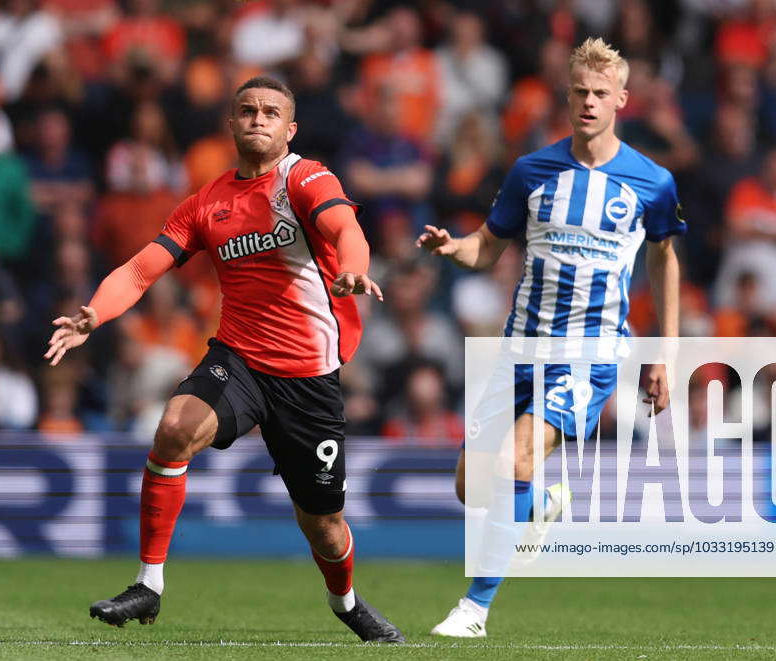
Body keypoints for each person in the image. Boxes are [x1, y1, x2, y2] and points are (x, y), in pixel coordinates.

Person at [44, 76, 404, 643]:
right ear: (230, 124)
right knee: (172, 430)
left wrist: (355, 266)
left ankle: (347, 603)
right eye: (246, 110)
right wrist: (95, 312)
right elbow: (142, 269)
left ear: (290, 129)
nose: (257, 119)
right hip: (239, 359)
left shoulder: (305, 179)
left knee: (325, 526)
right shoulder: (206, 204)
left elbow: (344, 226)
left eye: (270, 112)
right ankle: (149, 585)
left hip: (308, 377)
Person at [418, 38, 684, 638]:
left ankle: (475, 610)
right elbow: (488, 246)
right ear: (567, 97)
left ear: (622, 99)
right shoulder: (531, 170)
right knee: (470, 487)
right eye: (580, 92)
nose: (589, 103)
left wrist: (666, 352)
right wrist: (452, 247)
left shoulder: (652, 182)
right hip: (519, 348)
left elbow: (665, 259)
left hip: (588, 356)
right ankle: (541, 505)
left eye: (600, 94)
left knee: (516, 458)